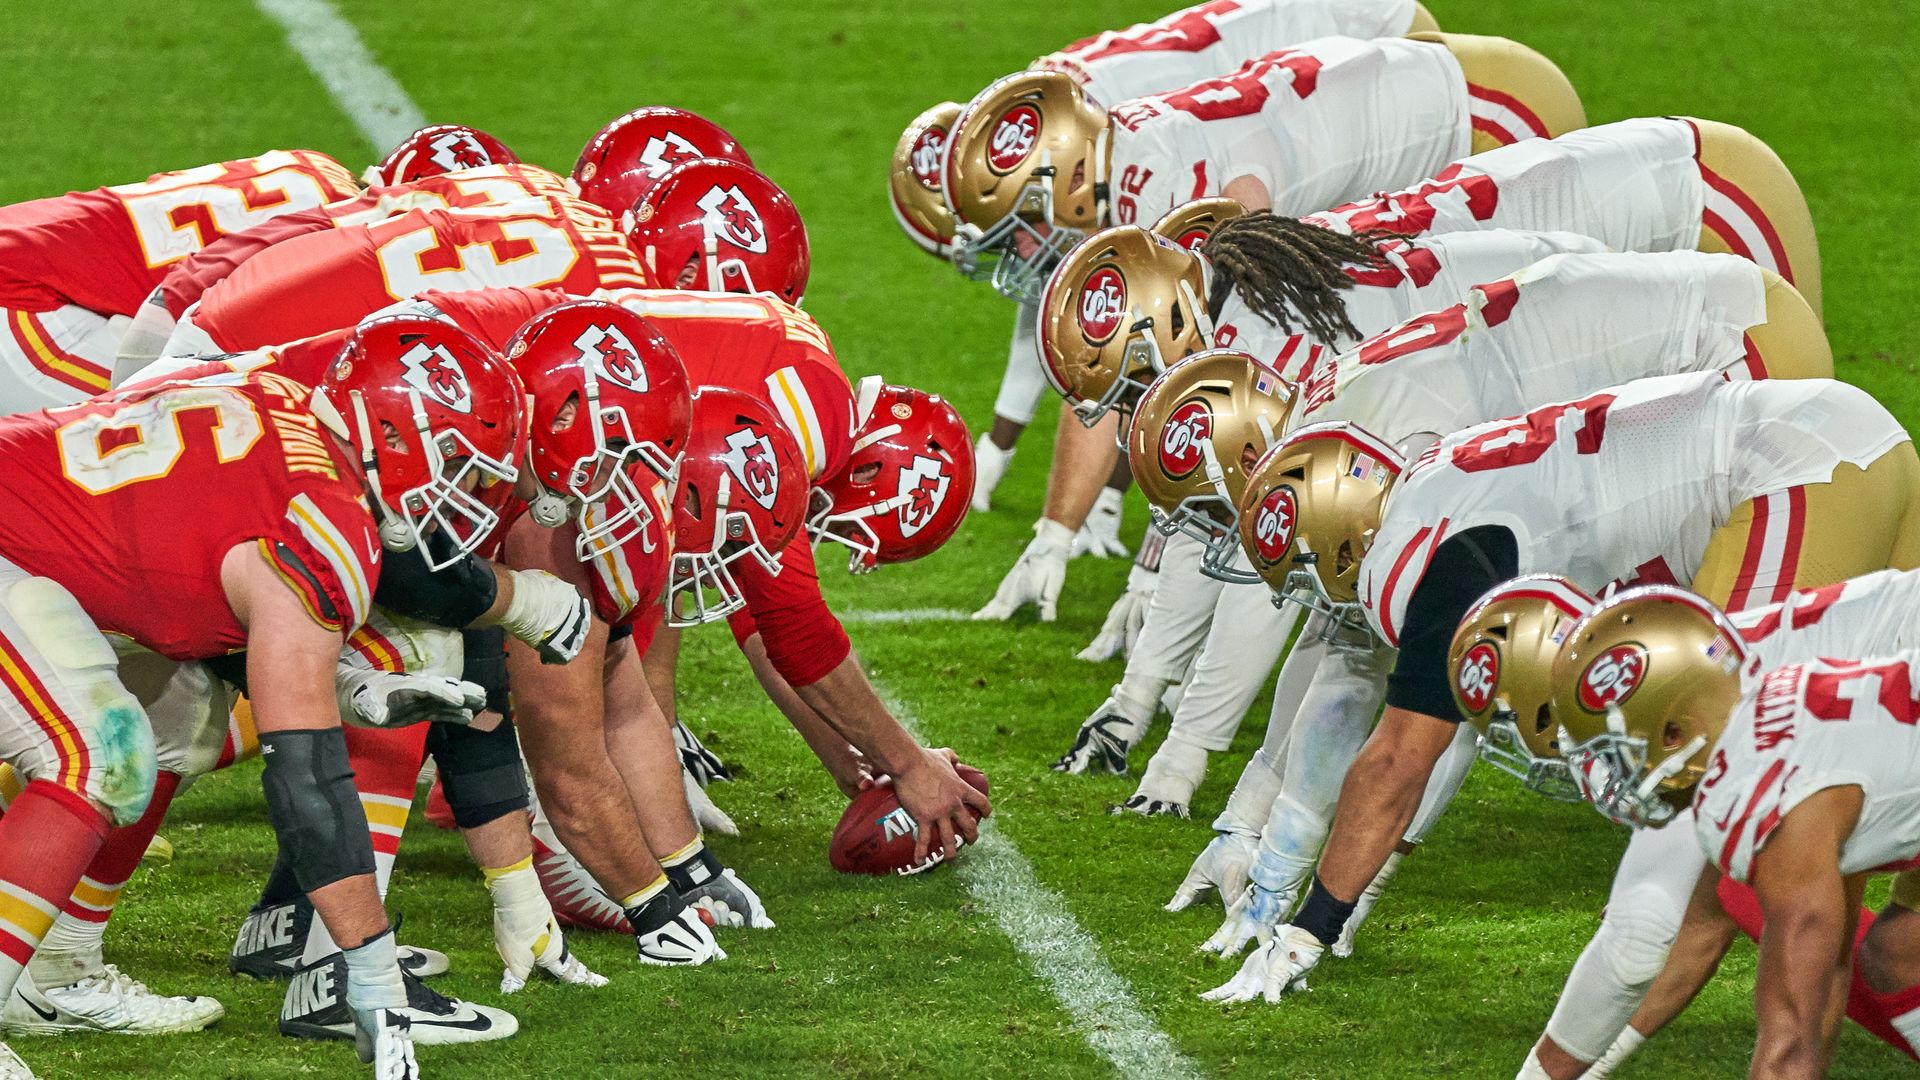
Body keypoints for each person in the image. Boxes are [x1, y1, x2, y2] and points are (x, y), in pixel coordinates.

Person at [1203, 372, 1917, 1029]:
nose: (1321, 596)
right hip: (1841, 444)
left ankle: (1616, 1012)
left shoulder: (1442, 563)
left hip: (1794, 470)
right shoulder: (1436, 488)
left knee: (1720, 765)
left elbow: (1397, 763)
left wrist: (1309, 930)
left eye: (1307, 572)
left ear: (1341, 541)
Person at [0, 313, 528, 1078]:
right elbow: (307, 780)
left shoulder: (277, 390)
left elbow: (191, 572)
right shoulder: (324, 526)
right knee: (95, 758)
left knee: (178, 722)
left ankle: (60, 970)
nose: (463, 489)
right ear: (389, 433)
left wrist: (354, 682)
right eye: (453, 458)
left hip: (38, 535)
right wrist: (371, 968)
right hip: (14, 552)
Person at [887, 0, 1439, 510]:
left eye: (1008, 232)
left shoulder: (1106, 155)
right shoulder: (1057, 117)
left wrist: (1087, 501)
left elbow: (1133, 334)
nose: (1019, 249)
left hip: (1364, 60)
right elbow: (1070, 309)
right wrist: (1000, 445)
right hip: (1322, 63)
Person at [0, 150, 358, 412]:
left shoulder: (316, 165)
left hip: (25, 248)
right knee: (204, 424)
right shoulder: (354, 244)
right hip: (30, 307)